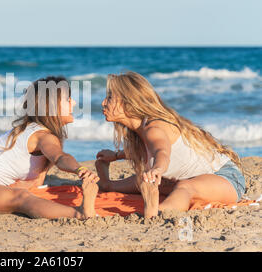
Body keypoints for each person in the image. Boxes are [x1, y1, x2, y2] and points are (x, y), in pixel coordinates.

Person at [0, 76, 99, 219]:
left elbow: (35, 183)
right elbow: (60, 157)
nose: (75, 103)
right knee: (22, 198)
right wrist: (79, 170)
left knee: (24, 193)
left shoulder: (39, 132)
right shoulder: (42, 136)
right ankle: (81, 214)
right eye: (68, 99)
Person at [95, 71, 246, 218]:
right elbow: (150, 149)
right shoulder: (139, 131)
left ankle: (158, 213)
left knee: (185, 187)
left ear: (129, 102)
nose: (103, 103)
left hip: (225, 178)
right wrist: (115, 156)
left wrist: (158, 169)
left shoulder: (154, 128)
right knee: (141, 180)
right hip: (185, 179)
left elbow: (162, 151)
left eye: (109, 98)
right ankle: (108, 184)